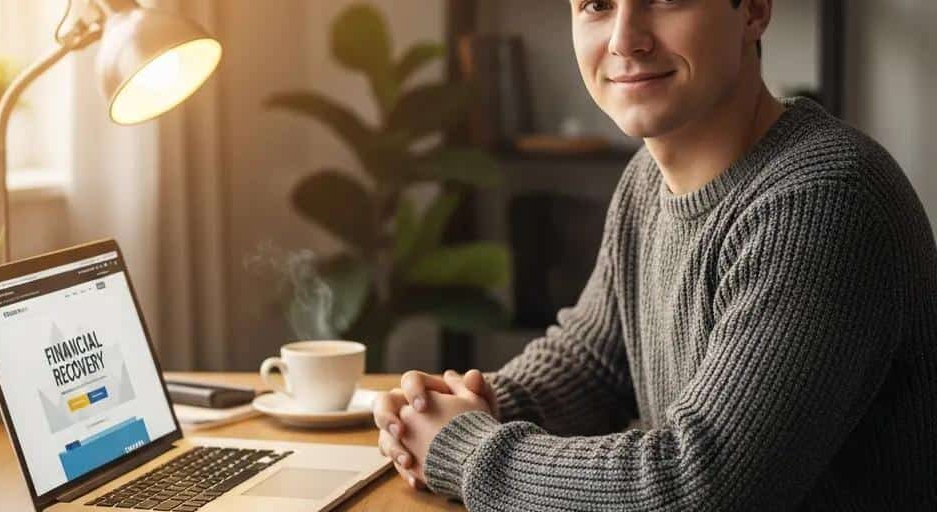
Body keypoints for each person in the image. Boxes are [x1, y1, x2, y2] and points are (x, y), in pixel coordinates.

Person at [372, 0, 937, 510]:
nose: (624, 39)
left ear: (755, 11)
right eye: (596, 4)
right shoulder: (645, 179)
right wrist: (472, 404)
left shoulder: (823, 200)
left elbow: (702, 486)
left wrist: (470, 451)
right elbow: (591, 364)